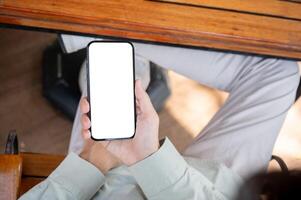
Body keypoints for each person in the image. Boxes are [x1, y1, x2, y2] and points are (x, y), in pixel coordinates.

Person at [20, 44, 300, 200]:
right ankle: (108, 33)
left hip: (107, 182)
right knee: (278, 72)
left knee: (114, 65)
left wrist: (91, 164)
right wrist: (150, 158)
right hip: (219, 189)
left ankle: (101, 29)